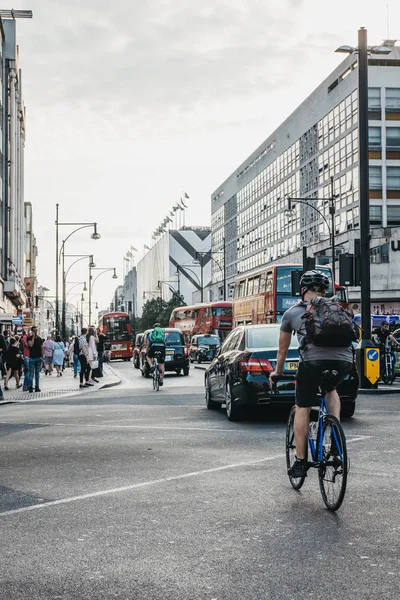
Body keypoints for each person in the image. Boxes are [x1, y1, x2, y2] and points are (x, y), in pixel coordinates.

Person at [270, 270, 356, 479]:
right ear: (325, 291)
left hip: (312, 362)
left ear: (302, 290)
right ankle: (335, 441)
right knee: (331, 388)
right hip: (344, 361)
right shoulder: (337, 308)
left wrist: (278, 372)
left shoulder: (292, 313)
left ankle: (300, 461)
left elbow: (282, 350)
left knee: (303, 406)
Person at [27, 326, 44, 392]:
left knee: (37, 373)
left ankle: (37, 386)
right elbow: (30, 345)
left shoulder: (40, 339)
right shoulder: (29, 338)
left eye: (36, 330)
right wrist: (33, 337)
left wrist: (42, 357)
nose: (35, 331)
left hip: (38, 358)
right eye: (34, 330)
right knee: (31, 373)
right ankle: (30, 387)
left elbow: (42, 348)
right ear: (32, 331)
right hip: (32, 358)